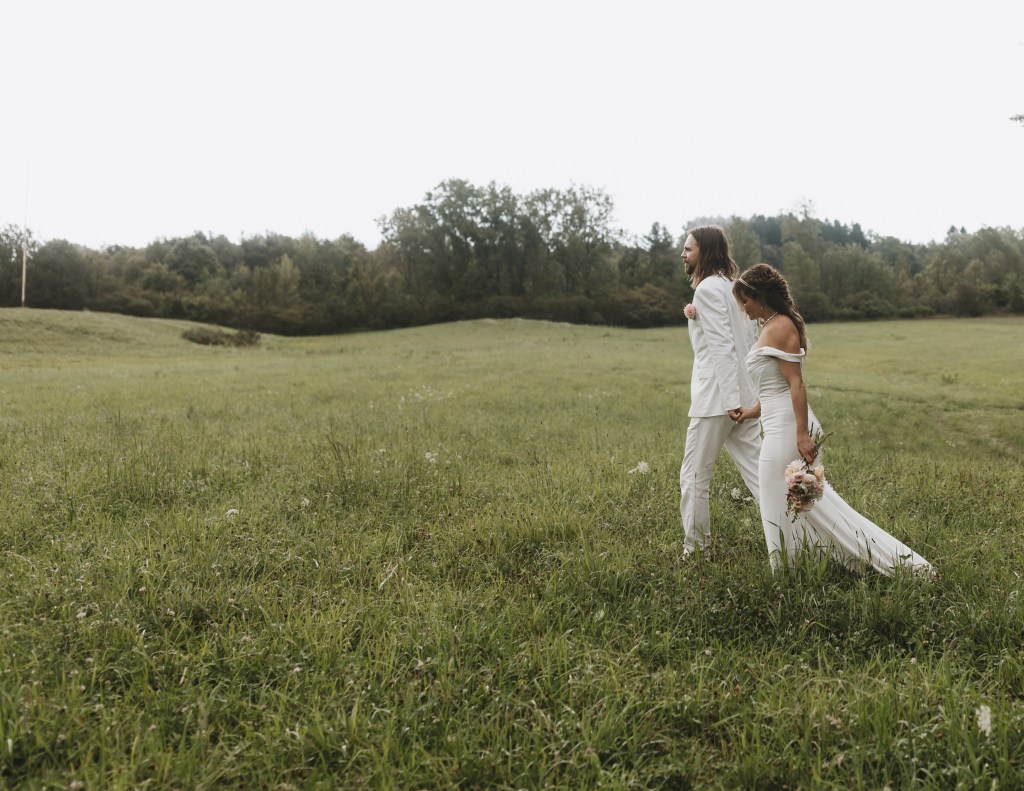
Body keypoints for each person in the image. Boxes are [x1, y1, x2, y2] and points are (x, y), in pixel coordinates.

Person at [729, 263, 933, 574]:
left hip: (789, 426)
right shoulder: (768, 325)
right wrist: (751, 411)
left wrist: (801, 435)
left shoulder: (782, 326)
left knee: (778, 499)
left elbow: (796, 383)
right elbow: (772, 387)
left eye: (745, 300)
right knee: (795, 503)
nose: (743, 307)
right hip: (776, 421)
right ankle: (802, 563)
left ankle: (791, 569)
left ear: (759, 296)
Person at [679, 226, 762, 557]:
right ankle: (795, 537)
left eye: (688, 249)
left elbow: (724, 348)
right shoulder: (731, 287)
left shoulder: (708, 290)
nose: (683, 254)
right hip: (744, 397)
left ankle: (696, 551)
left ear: (705, 252)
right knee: (761, 476)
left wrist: (730, 402)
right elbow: (747, 343)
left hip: (718, 400)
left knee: (694, 477)